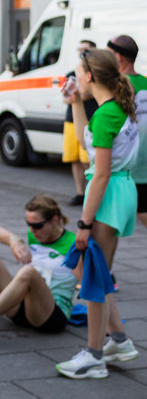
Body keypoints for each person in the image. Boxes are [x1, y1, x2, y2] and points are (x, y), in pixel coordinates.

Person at [57, 48, 140, 379]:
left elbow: (100, 173)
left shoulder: (107, 114)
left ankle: (94, 355)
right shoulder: (116, 107)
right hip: (120, 191)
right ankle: (118, 340)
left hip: (108, 194)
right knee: (95, 272)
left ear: (90, 76)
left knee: (91, 275)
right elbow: (85, 142)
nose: (76, 78)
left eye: (79, 73)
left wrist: (84, 223)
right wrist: (76, 102)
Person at [0, 195, 77, 348]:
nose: (32, 230)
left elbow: (94, 282)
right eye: (29, 224)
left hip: (51, 315)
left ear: (54, 220)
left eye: (37, 225)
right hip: (24, 308)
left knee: (28, 272)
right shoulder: (33, 235)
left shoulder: (73, 243)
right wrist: (16, 242)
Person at [107, 35, 147, 229]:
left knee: (141, 208)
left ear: (119, 57)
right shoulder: (145, 81)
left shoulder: (120, 85)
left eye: (109, 54)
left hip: (134, 160)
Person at [63, 40, 99, 206]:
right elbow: (65, 97)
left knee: (87, 159)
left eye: (85, 50)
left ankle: (92, 191)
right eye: (80, 50)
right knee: (74, 159)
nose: (81, 53)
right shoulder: (71, 73)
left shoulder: (97, 74)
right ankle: (80, 193)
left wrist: (77, 95)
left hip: (89, 119)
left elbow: (87, 94)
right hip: (71, 120)